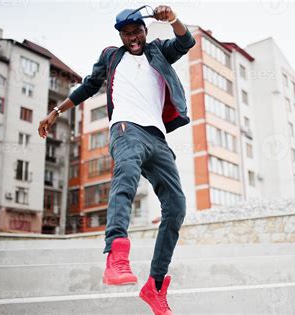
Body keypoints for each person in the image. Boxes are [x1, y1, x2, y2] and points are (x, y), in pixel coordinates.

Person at [38, 5, 196, 314]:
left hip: (157, 137)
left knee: (176, 206)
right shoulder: (112, 56)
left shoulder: (158, 52)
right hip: (126, 129)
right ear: (120, 36)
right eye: (127, 34)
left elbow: (185, 42)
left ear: (145, 32)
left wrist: (173, 18)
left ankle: (155, 286)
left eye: (138, 32)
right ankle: (116, 255)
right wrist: (56, 112)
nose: (133, 38)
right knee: (125, 177)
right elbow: (87, 86)